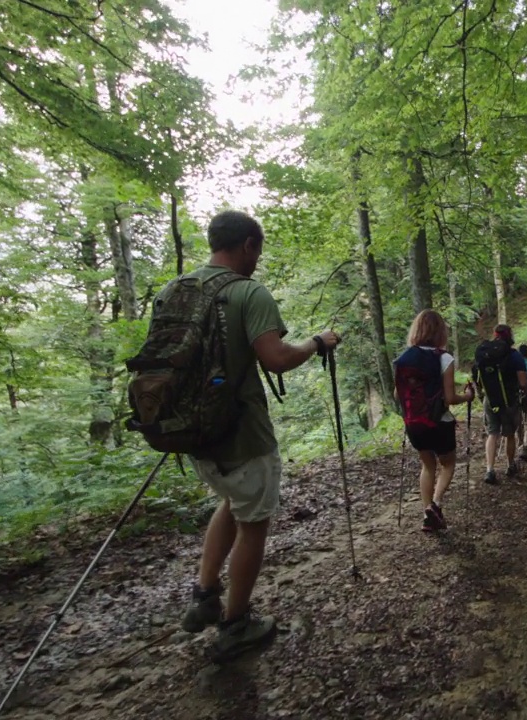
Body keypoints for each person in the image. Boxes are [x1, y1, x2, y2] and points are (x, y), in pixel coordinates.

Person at [174, 210, 341, 662]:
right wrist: (318, 343)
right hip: (240, 431)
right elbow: (277, 358)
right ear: (247, 244)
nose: (257, 261)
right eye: (257, 252)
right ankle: (236, 623)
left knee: (230, 500)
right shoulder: (247, 292)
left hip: (191, 431)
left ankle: (205, 593)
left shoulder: (179, 290)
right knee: (253, 522)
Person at [393, 310, 475, 532]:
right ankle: (435, 505)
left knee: (427, 466)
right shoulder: (444, 358)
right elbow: (449, 398)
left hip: (414, 424)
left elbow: (396, 395)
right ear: (440, 331)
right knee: (448, 464)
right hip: (439, 423)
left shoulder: (403, 358)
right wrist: (467, 396)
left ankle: (426, 510)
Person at [473, 324, 527, 485]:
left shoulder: (485, 353)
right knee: (509, 434)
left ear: (495, 335)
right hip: (509, 401)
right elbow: (523, 383)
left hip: (490, 399)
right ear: (510, 336)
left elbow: (477, 375)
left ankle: (490, 470)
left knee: (492, 433)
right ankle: (510, 465)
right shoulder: (514, 355)